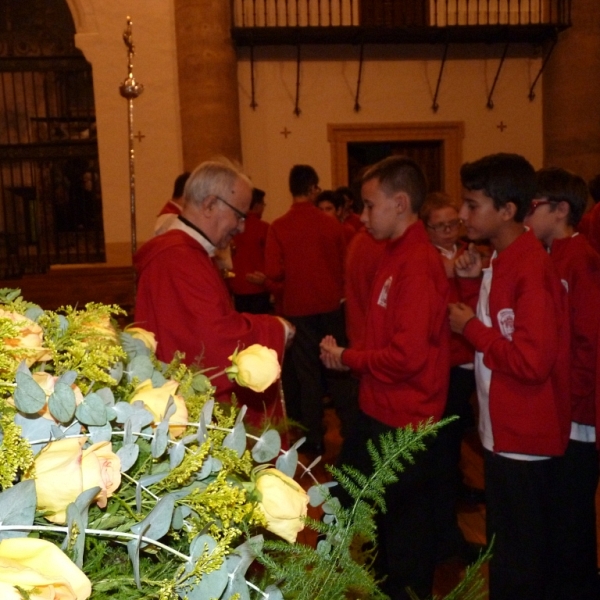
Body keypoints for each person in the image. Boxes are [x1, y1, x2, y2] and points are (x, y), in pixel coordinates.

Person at [320, 156, 451, 600]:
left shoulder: (416, 262)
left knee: (405, 543)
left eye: (369, 205)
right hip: (382, 410)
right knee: (379, 528)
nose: (362, 215)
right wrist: (348, 359)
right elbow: (387, 340)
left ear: (399, 203)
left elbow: (408, 357)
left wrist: (351, 358)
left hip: (406, 422)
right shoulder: (392, 254)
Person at [448, 153, 571, 600]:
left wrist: (472, 329)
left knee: (519, 560)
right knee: (508, 551)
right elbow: (489, 327)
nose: (463, 215)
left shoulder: (530, 268)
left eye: (473, 204)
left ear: (507, 210)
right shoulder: (501, 258)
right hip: (504, 431)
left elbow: (532, 362)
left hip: (525, 438)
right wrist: (468, 290)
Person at [134, 160, 294, 426]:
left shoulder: (187, 253)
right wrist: (277, 328)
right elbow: (211, 341)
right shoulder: (178, 258)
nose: (242, 227)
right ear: (209, 205)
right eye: (239, 215)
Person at [524, 167, 600, 599]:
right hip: (557, 409)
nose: (528, 214)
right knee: (557, 513)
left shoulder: (581, 259)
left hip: (577, 414)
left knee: (572, 516)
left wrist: (567, 402)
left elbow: (587, 342)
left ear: (561, 209)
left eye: (535, 205)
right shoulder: (550, 254)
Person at [265, 165, 346, 455]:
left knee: (307, 374)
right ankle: (350, 432)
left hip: (298, 308)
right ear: (313, 188)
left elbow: (273, 272)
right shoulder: (331, 225)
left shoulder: (280, 226)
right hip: (331, 308)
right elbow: (342, 265)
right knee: (338, 371)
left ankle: (312, 437)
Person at [420, 192, 478, 564]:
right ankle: (444, 537)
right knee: (440, 448)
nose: (448, 231)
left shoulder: (464, 253)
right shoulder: (428, 261)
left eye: (452, 223)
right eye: (439, 226)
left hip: (467, 360)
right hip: (446, 364)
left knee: (454, 442)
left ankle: (455, 494)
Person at [229, 187, 272, 314]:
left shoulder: (233, 226)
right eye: (263, 204)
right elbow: (270, 258)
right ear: (258, 205)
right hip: (259, 286)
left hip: (237, 286)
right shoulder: (264, 228)